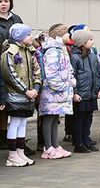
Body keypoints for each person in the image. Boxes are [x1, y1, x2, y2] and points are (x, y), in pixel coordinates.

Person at [0, 24, 40, 167]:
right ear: (20, 36)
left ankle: (20, 151)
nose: (31, 37)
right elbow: (9, 75)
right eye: (28, 35)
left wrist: (35, 87)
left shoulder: (29, 51)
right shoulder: (10, 53)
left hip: (28, 95)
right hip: (16, 95)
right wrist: (25, 90)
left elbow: (37, 70)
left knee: (23, 123)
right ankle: (12, 155)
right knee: (15, 122)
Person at [38, 24, 75, 159]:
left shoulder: (62, 49)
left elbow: (68, 68)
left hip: (61, 90)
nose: (69, 36)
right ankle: (48, 147)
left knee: (55, 117)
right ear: (59, 35)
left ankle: (55, 145)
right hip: (52, 91)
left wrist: (71, 81)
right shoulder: (53, 50)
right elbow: (51, 72)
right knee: (49, 117)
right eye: (66, 33)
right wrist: (61, 86)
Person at [69, 29, 100, 153]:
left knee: (89, 117)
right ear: (82, 42)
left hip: (91, 93)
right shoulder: (75, 57)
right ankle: (79, 143)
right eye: (90, 39)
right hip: (81, 94)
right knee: (79, 118)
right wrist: (75, 92)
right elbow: (72, 76)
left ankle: (86, 140)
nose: (92, 42)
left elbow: (99, 73)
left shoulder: (93, 56)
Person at [0, 0, 24, 151]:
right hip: (1, 63)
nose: (3, 4)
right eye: (0, 1)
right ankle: (2, 136)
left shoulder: (16, 19)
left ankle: (13, 138)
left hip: (15, 64)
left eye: (5, 0)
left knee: (12, 101)